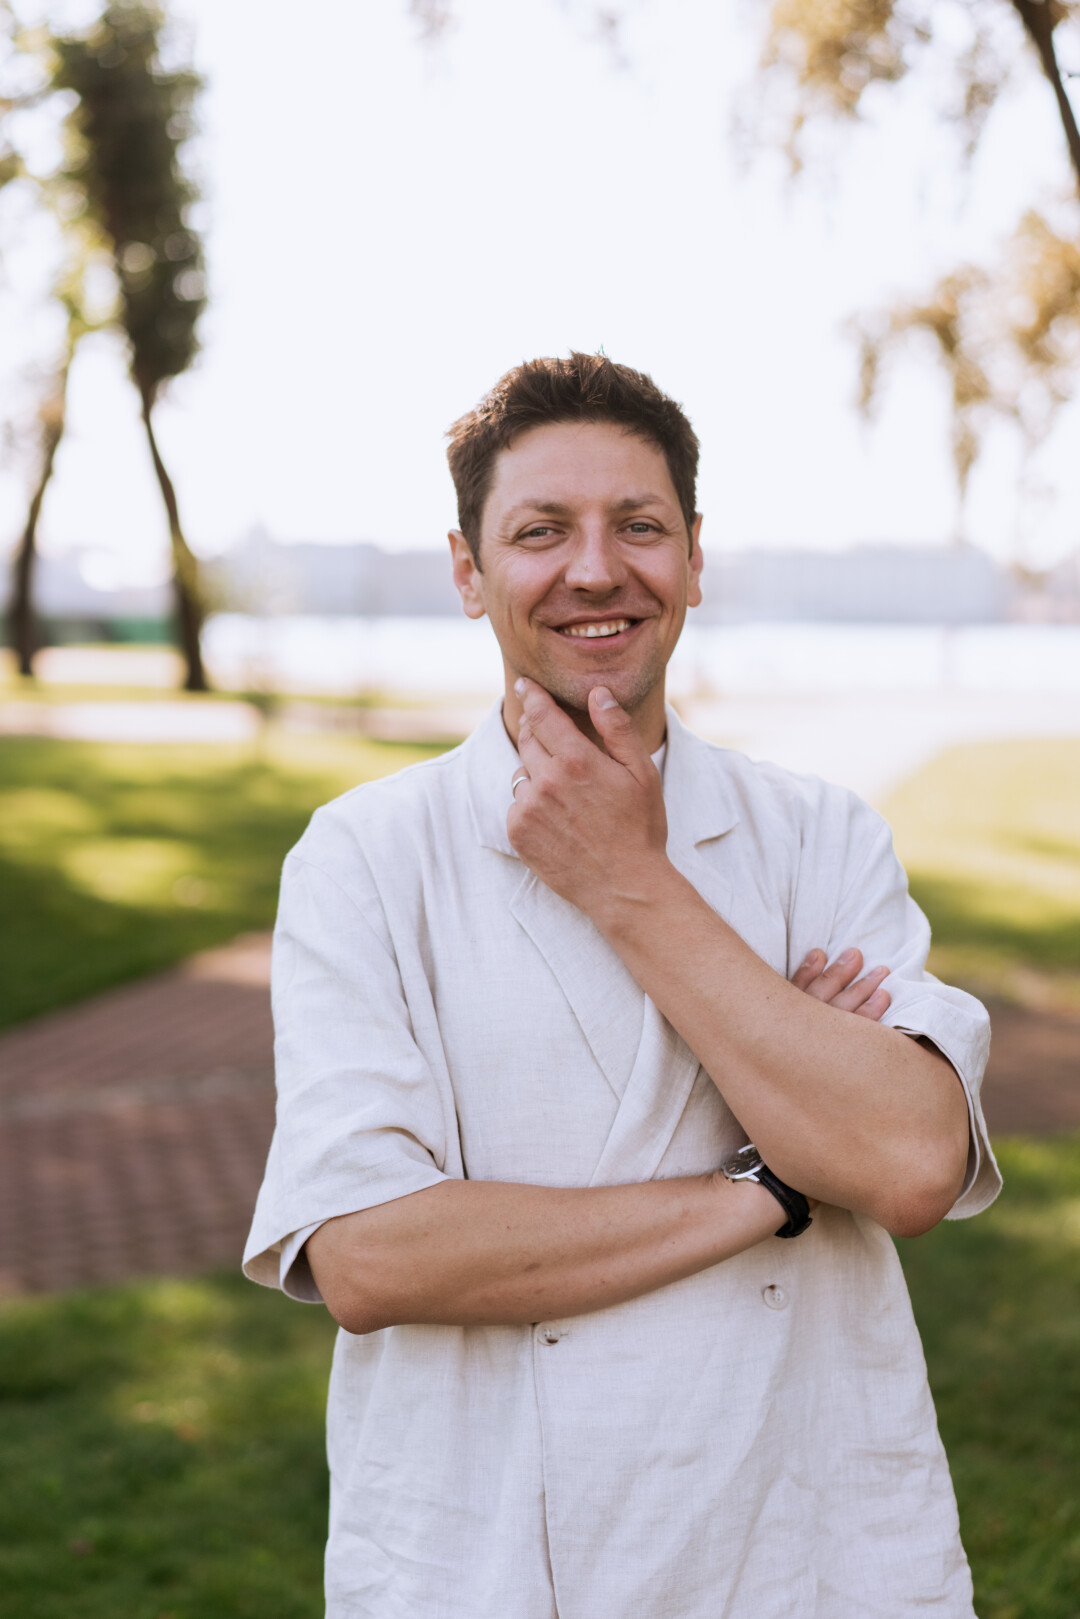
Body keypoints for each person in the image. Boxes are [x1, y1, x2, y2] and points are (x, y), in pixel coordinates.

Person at [244, 352, 1000, 1619]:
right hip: (485, 1559)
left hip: (804, 1545)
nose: (596, 569)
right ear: (468, 572)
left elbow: (912, 1161)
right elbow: (370, 1253)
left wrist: (629, 881)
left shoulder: (819, 833)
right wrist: (775, 1182)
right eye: (541, 530)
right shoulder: (366, 855)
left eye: (638, 525)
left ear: (695, 557)